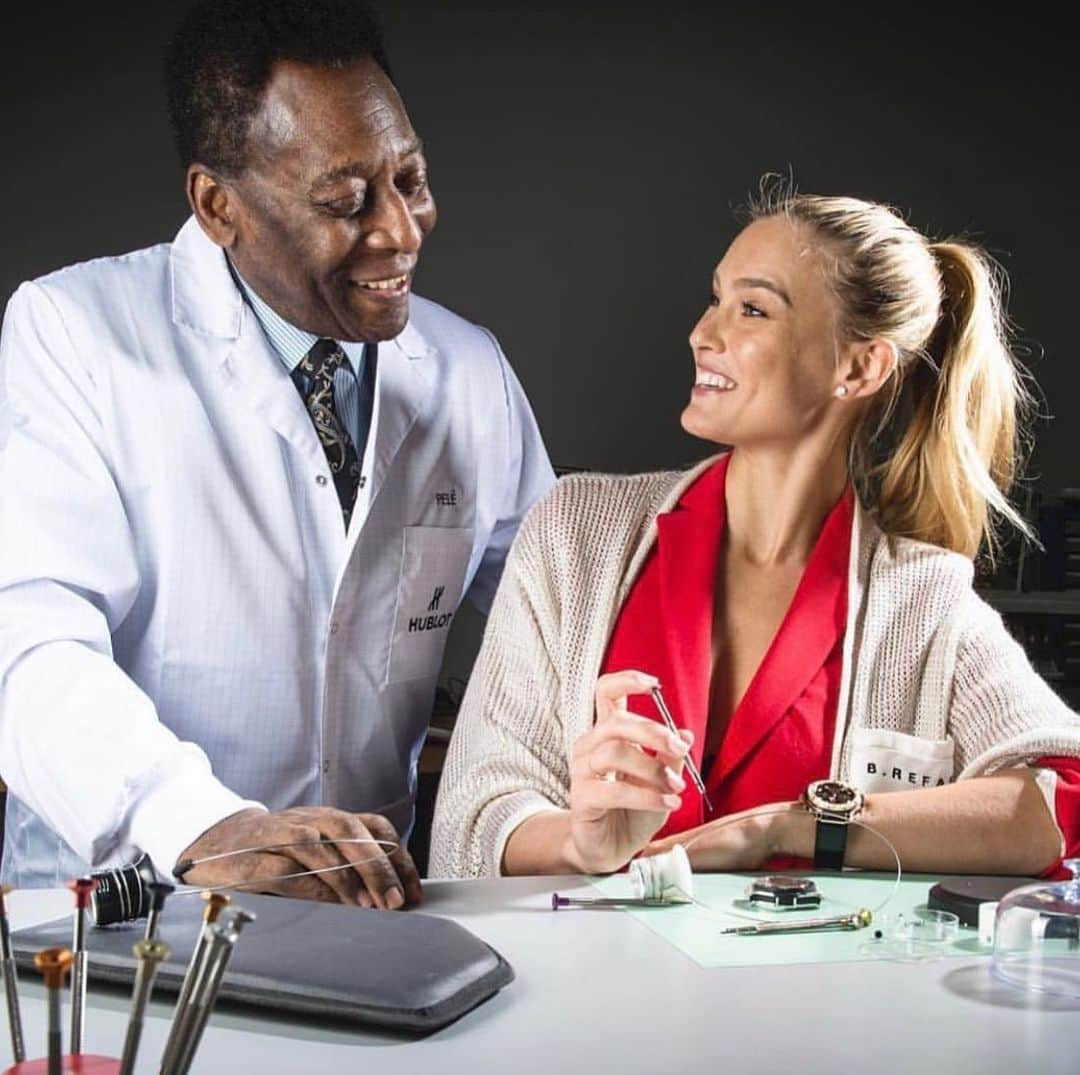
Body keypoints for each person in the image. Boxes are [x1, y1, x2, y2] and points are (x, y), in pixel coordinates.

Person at [0, 0, 554, 906]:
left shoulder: (465, 368)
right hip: (130, 909)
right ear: (219, 206)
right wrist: (200, 821)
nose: (401, 231)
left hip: (370, 906)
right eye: (345, 200)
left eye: (409, 179)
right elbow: (29, 646)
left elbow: (562, 613)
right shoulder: (76, 335)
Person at [431, 186, 1080, 881]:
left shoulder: (922, 596)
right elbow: (472, 811)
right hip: (576, 988)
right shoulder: (575, 530)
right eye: (715, 298)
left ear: (859, 366)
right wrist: (581, 843)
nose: (703, 333)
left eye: (753, 308)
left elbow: (1061, 797)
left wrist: (792, 826)